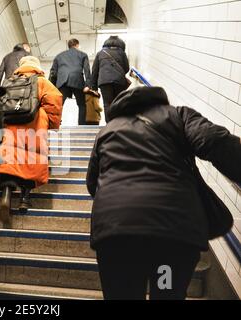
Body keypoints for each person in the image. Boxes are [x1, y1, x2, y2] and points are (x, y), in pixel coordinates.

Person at [87, 86, 241, 300]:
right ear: (159, 100)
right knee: (166, 293)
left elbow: (92, 183)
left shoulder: (107, 131)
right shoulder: (178, 115)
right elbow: (212, 139)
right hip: (170, 237)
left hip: (117, 239)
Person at [0, 56, 63, 224]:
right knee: (31, 159)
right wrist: (50, 121)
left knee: (10, 160)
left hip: (9, 124)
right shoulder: (42, 81)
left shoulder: (9, 81)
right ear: (37, 66)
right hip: (34, 124)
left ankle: (6, 194)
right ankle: (24, 199)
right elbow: (55, 102)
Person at [50, 39, 92, 125]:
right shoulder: (83, 55)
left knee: (58, 104)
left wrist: (51, 86)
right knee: (82, 104)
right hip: (77, 80)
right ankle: (82, 125)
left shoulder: (59, 56)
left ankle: (55, 123)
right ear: (77, 45)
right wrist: (88, 85)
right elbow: (87, 70)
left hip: (62, 81)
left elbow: (53, 72)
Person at [90, 35, 130, 122]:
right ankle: (118, 123)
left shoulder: (100, 53)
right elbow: (126, 68)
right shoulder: (122, 53)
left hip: (104, 82)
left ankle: (109, 124)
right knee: (118, 102)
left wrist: (94, 87)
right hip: (119, 81)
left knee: (107, 103)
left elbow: (94, 71)